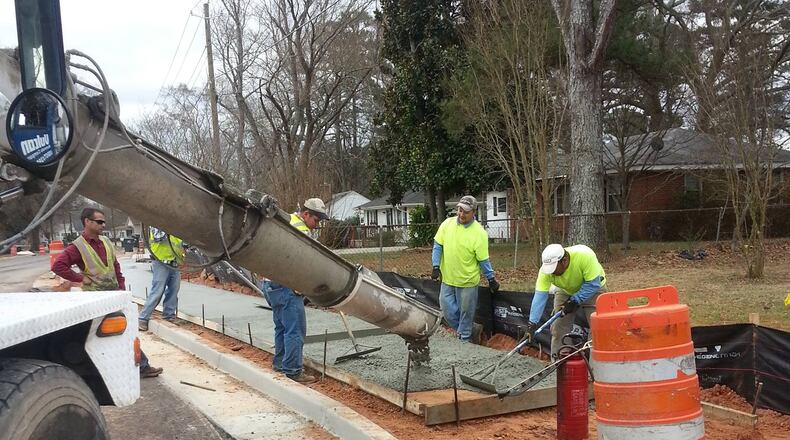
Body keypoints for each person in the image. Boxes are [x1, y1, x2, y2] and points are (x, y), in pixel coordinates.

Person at [52, 207, 164, 378]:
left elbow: (115, 267)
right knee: (99, 334)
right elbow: (58, 266)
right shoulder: (77, 247)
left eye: (104, 222)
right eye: (99, 222)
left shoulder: (106, 242)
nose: (103, 225)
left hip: (113, 295)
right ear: (87, 222)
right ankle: (136, 366)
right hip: (95, 297)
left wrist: (121, 288)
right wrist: (80, 278)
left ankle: (139, 366)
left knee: (120, 331)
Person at [262, 198, 329, 384]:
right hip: (286, 286)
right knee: (295, 330)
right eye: (316, 220)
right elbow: (304, 264)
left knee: (281, 326)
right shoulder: (301, 231)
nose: (317, 225)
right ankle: (292, 371)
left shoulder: (287, 220)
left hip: (271, 284)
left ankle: (280, 364)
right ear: (306, 214)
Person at [431, 195, 499, 342]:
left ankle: (465, 341)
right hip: (448, 280)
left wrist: (491, 278)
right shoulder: (447, 224)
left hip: (468, 282)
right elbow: (438, 246)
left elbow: (483, 260)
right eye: (460, 210)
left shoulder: (479, 233)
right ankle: (472, 330)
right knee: (447, 312)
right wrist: (436, 266)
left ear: (473, 212)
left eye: (465, 211)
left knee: (465, 314)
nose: (461, 214)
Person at [527, 243, 606, 357]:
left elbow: (593, 284)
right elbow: (540, 296)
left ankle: (593, 360)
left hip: (593, 288)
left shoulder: (585, 256)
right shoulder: (545, 271)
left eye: (554, 269)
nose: (551, 273)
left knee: (598, 325)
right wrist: (532, 324)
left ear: (564, 261)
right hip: (565, 290)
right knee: (558, 326)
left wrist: (575, 300)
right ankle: (560, 360)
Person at [138, 227, 184, 332]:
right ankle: (143, 318)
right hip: (160, 260)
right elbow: (159, 236)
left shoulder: (177, 224)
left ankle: (169, 316)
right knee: (158, 290)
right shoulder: (158, 223)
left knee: (174, 290)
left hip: (174, 261)